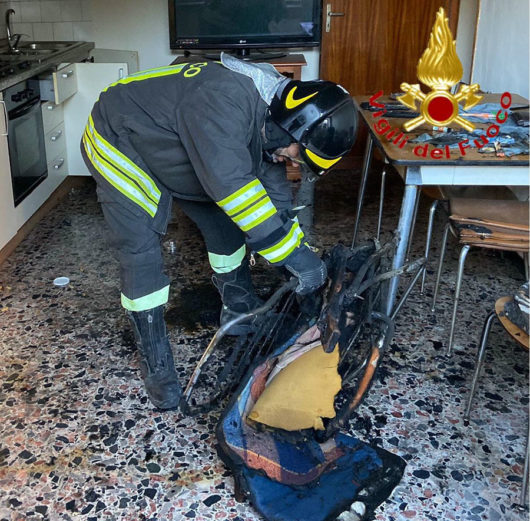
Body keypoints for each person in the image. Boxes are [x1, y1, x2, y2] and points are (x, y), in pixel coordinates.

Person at [80, 53, 357, 410]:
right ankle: (155, 362)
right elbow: (234, 187)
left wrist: (296, 253)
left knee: (225, 223)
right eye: (295, 156)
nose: (291, 163)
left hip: (172, 143)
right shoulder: (223, 100)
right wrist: (295, 258)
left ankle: (238, 309)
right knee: (140, 250)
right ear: (294, 126)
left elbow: (274, 198)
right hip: (119, 138)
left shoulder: (270, 121)